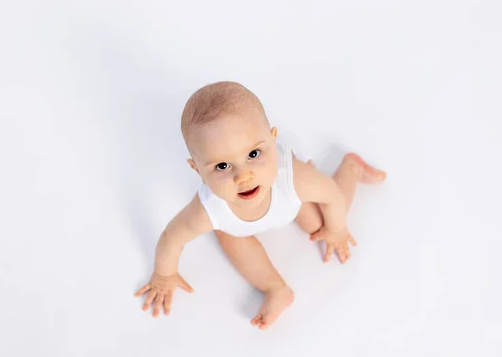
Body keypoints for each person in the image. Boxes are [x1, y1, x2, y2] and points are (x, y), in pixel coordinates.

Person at [134, 81, 386, 329]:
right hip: (237, 225)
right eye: (222, 166)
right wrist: (164, 275)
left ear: (272, 140)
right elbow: (172, 237)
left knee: (318, 224)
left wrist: (336, 228)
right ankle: (275, 288)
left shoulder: (293, 178)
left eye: (253, 154)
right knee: (228, 235)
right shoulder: (208, 208)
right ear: (197, 170)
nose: (243, 177)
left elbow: (332, 196)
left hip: (289, 201)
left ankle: (350, 169)